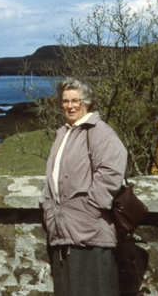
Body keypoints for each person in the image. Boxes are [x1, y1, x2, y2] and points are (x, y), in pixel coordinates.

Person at [39, 77, 127, 296]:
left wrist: (90, 209)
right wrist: (49, 209)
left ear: (86, 102)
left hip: (90, 234)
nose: (70, 106)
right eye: (65, 101)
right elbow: (53, 178)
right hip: (64, 234)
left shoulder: (99, 131)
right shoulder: (64, 133)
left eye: (76, 100)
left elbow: (111, 172)